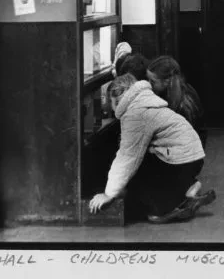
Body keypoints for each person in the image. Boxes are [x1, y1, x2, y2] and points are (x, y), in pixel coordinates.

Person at [88, 73, 215, 223]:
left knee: (139, 177)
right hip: (190, 158)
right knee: (143, 164)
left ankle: (169, 206)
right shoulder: (145, 100)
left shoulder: (135, 114)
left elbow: (127, 157)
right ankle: (187, 186)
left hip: (181, 160)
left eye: (110, 100)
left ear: (117, 98)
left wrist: (109, 193)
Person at [147, 56, 207, 146]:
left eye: (153, 81)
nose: (149, 84)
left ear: (166, 81)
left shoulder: (184, 104)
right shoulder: (173, 93)